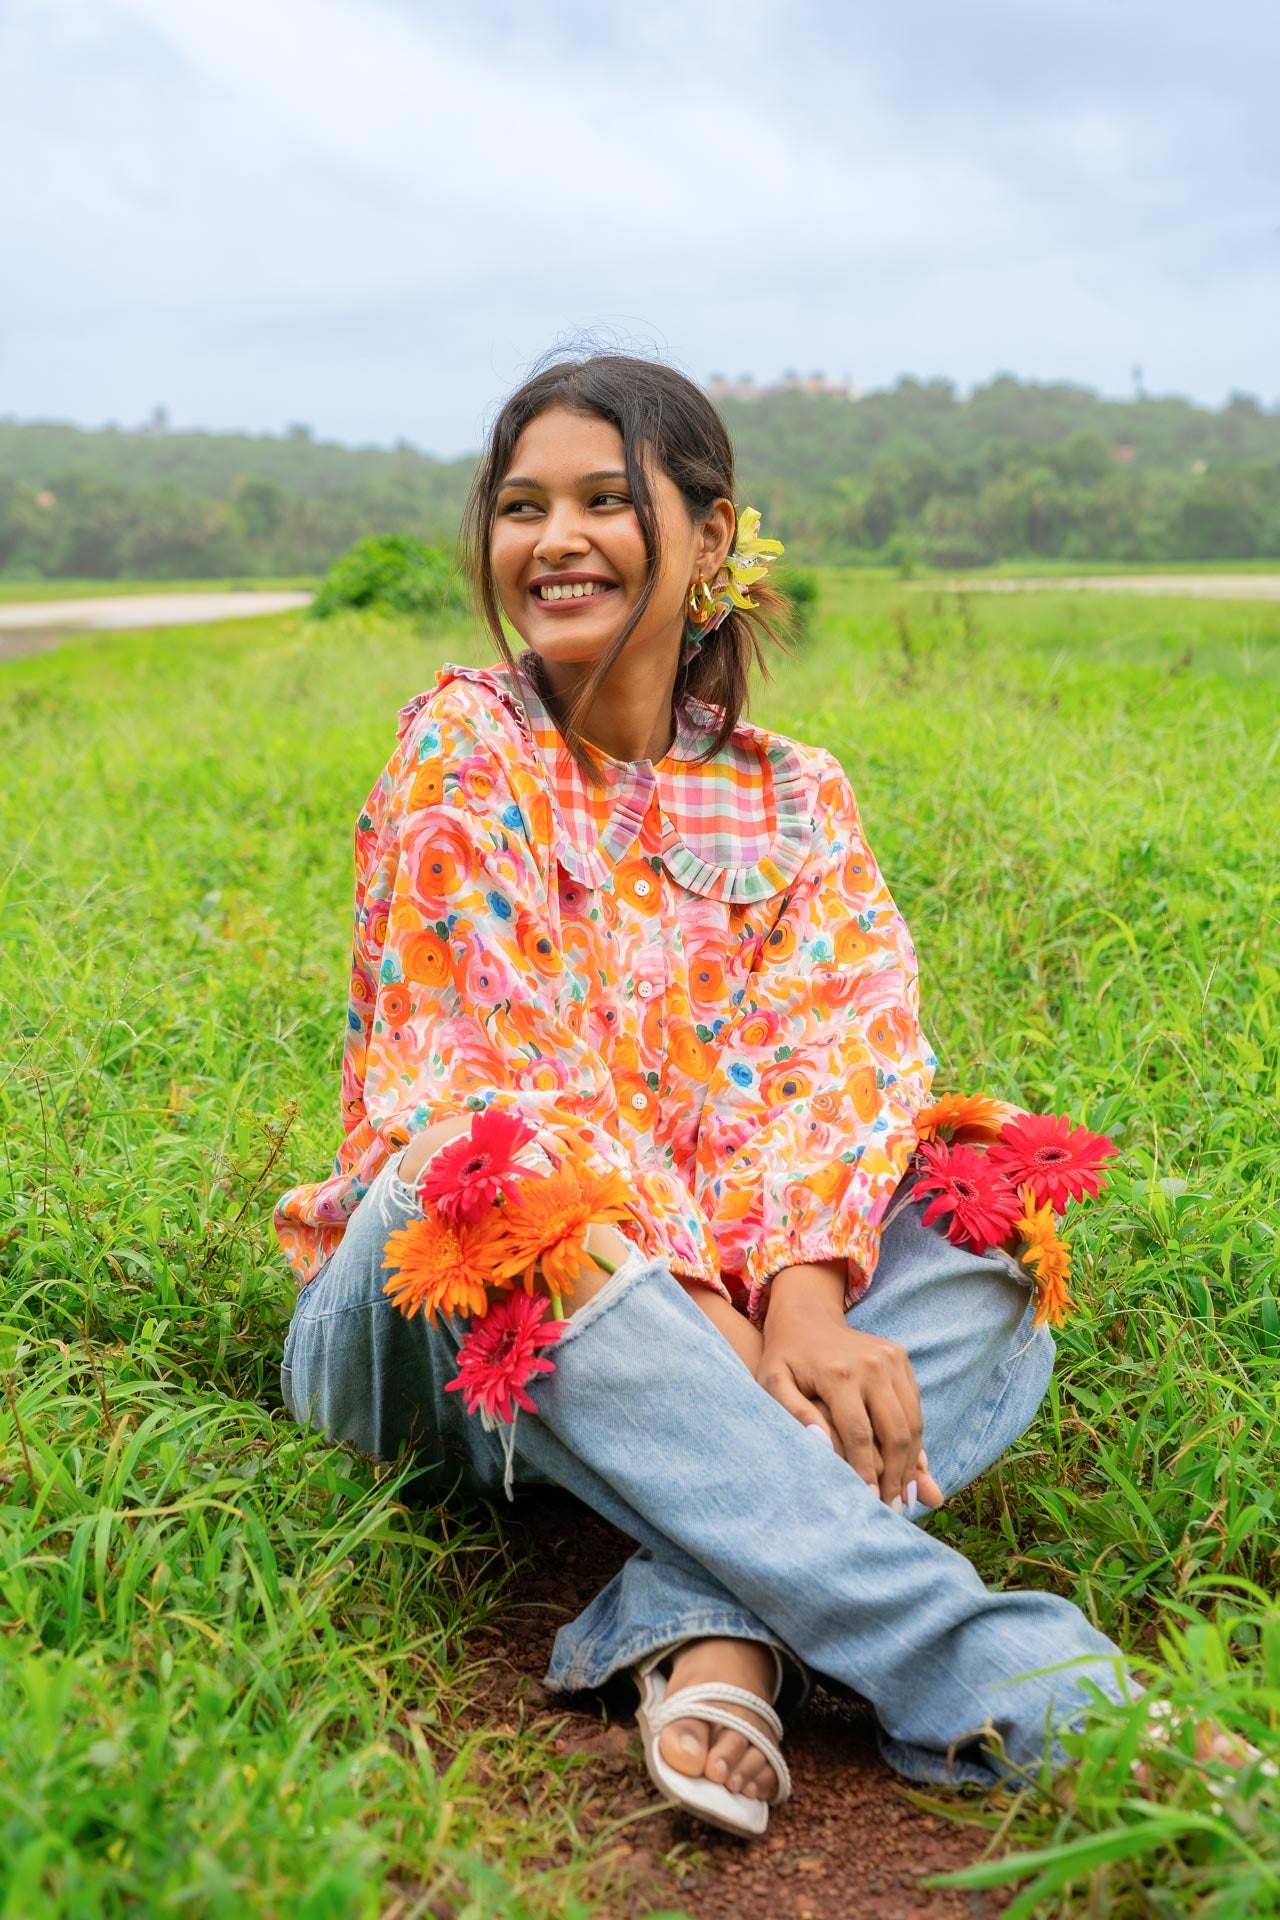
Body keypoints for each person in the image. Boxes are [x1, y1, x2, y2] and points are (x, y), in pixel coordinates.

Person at [275, 350, 1133, 1837]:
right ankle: (998, 1676)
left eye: (607, 500)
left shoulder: (799, 793)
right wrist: (700, 1302)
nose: (557, 540)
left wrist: (802, 1290)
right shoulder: (467, 747)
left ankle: (704, 1625)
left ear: (713, 538)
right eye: (523, 506)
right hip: (447, 1343)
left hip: (733, 1340)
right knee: (478, 1178)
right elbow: (501, 1076)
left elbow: (851, 1052)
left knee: (990, 1222)